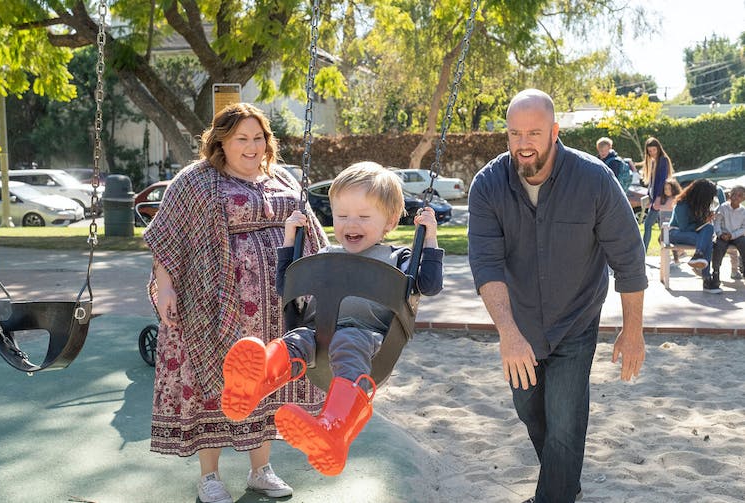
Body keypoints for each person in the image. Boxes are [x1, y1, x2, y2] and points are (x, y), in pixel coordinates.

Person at [467, 89, 647, 503]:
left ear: (554, 131)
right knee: (531, 412)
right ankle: (565, 484)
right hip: (522, 322)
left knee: (565, 422)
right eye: (514, 134)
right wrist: (509, 334)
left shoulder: (594, 179)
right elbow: (487, 265)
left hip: (576, 320)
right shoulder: (488, 186)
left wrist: (631, 330)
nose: (524, 144)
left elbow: (630, 257)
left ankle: (555, 495)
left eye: (534, 133)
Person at [143, 103, 328, 503]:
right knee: (215, 386)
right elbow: (166, 238)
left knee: (264, 383)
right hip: (211, 308)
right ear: (221, 142)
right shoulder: (195, 181)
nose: (252, 146)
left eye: (258, 137)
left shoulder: (282, 177)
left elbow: (312, 234)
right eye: (241, 138)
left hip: (275, 310)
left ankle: (261, 470)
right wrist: (166, 288)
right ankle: (210, 478)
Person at [220, 161, 444, 476]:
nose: (351, 224)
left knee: (348, 340)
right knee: (294, 340)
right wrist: (290, 239)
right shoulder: (327, 254)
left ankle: (333, 428)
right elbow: (287, 286)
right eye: (341, 216)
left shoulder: (399, 258)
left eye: (364, 217)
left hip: (369, 342)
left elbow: (430, 285)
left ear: (391, 221)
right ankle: (256, 381)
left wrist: (429, 238)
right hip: (317, 332)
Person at [668, 178, 721, 293]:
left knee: (709, 228)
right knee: (706, 241)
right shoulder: (681, 205)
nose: (711, 199)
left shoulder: (700, 205)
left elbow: (702, 227)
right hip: (675, 233)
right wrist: (703, 221)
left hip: (694, 234)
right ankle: (707, 280)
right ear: (701, 195)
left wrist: (707, 220)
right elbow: (684, 227)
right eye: (709, 196)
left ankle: (698, 255)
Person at [641, 137, 675, 251]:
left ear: (658, 149)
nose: (652, 153)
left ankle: (643, 251)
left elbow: (662, 180)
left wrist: (658, 198)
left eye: (654, 150)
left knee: (649, 225)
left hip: (660, 199)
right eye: (649, 151)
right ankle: (678, 253)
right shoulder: (653, 161)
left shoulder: (663, 160)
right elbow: (652, 183)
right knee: (662, 228)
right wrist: (650, 197)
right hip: (654, 199)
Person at [711, 185, 745, 283]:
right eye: (733, 194)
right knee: (718, 247)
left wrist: (732, 235)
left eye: (739, 195)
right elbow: (717, 223)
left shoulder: (743, 211)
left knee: (744, 243)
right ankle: (716, 272)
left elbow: (744, 228)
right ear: (730, 195)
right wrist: (720, 234)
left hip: (736, 236)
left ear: (743, 198)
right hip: (723, 235)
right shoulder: (723, 207)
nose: (735, 197)